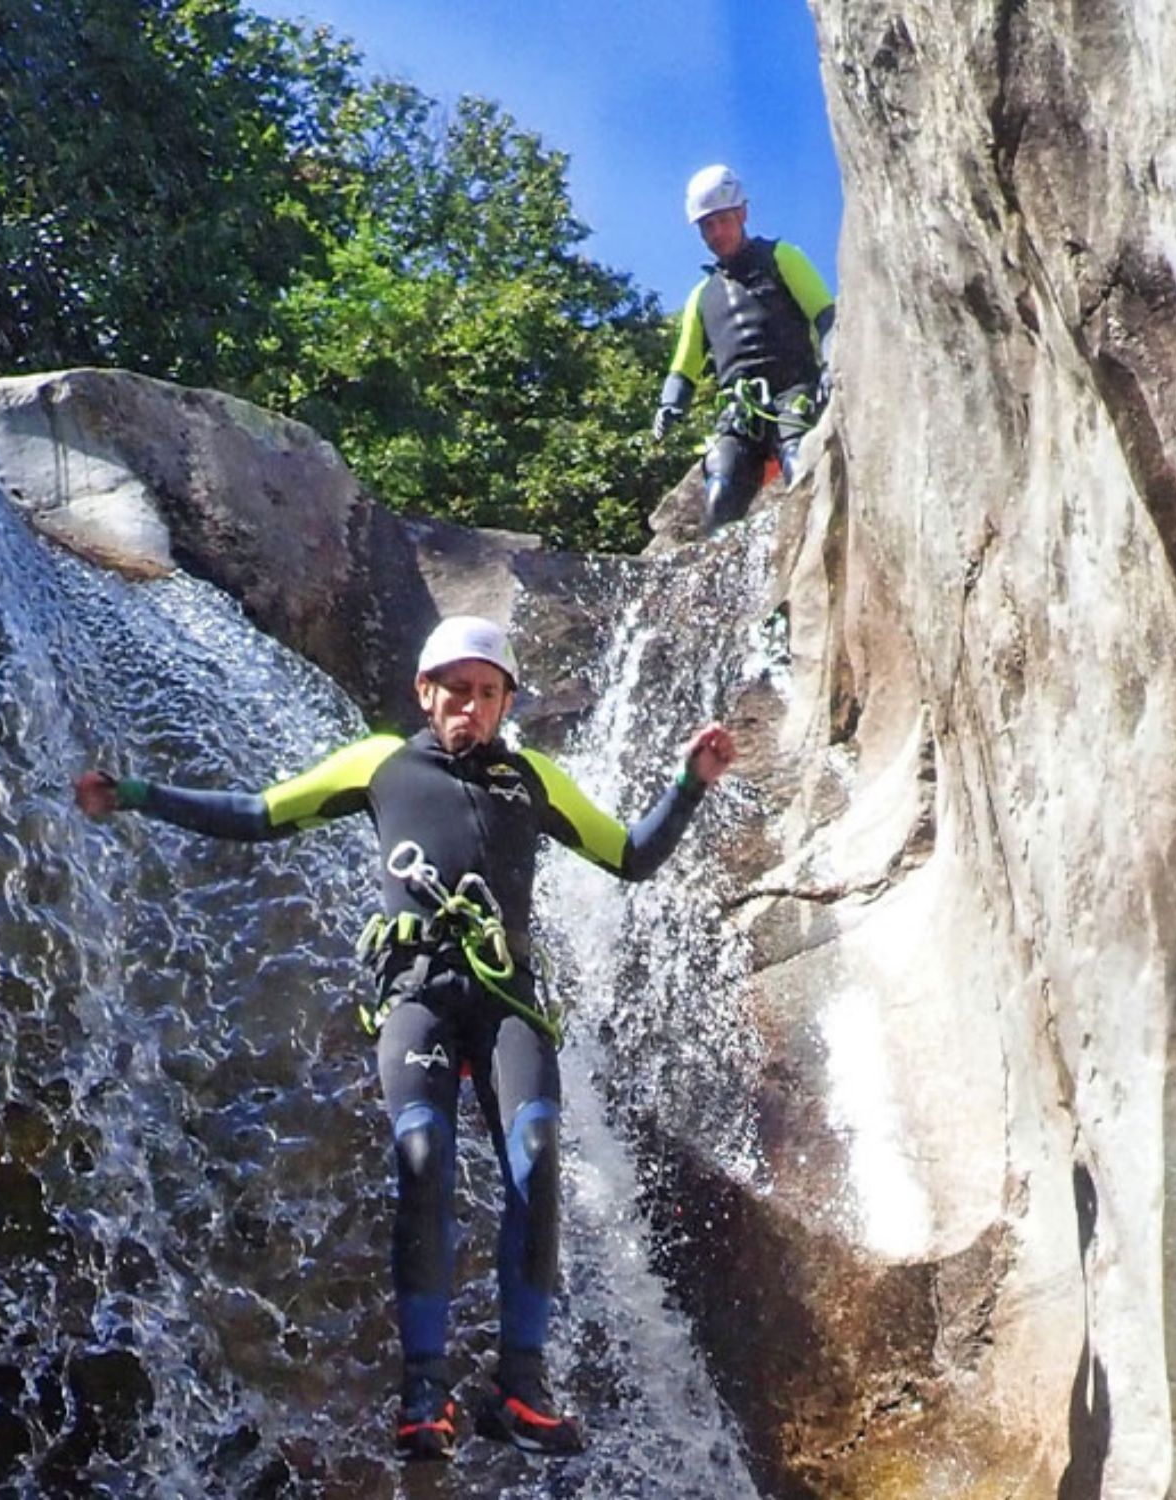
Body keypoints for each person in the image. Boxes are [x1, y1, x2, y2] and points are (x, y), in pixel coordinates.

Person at [74, 615, 735, 1462]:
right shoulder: (381, 763)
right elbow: (258, 813)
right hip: (416, 996)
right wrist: (137, 795)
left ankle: (519, 1386)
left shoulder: (531, 778)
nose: (471, 705)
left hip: (507, 1004)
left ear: (505, 703)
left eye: (488, 692)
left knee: (534, 1154)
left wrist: (689, 781)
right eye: (456, 690)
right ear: (426, 693)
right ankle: (423, 1394)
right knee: (422, 1159)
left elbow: (630, 855)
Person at [652, 163, 837, 532]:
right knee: (721, 491)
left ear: (742, 213)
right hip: (738, 410)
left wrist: (832, 363)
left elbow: (825, 314)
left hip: (793, 390)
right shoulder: (702, 297)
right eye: (707, 225)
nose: (716, 232)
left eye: (722, 220)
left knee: (799, 462)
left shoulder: (781, 257)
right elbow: (684, 366)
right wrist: (670, 404)